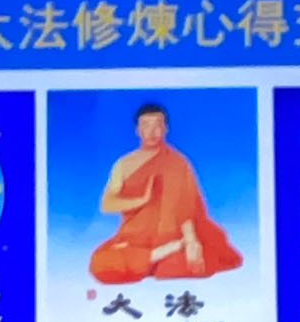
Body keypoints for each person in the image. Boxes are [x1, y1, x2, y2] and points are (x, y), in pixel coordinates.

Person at [87, 103, 244, 286]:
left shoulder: (178, 163)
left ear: (166, 129)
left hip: (173, 236)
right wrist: (142, 200)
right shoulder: (124, 164)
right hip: (134, 240)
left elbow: (186, 209)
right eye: (146, 125)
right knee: (100, 263)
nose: (152, 131)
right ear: (137, 130)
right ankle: (156, 255)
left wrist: (191, 242)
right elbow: (107, 204)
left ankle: (154, 258)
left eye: (158, 125)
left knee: (180, 265)